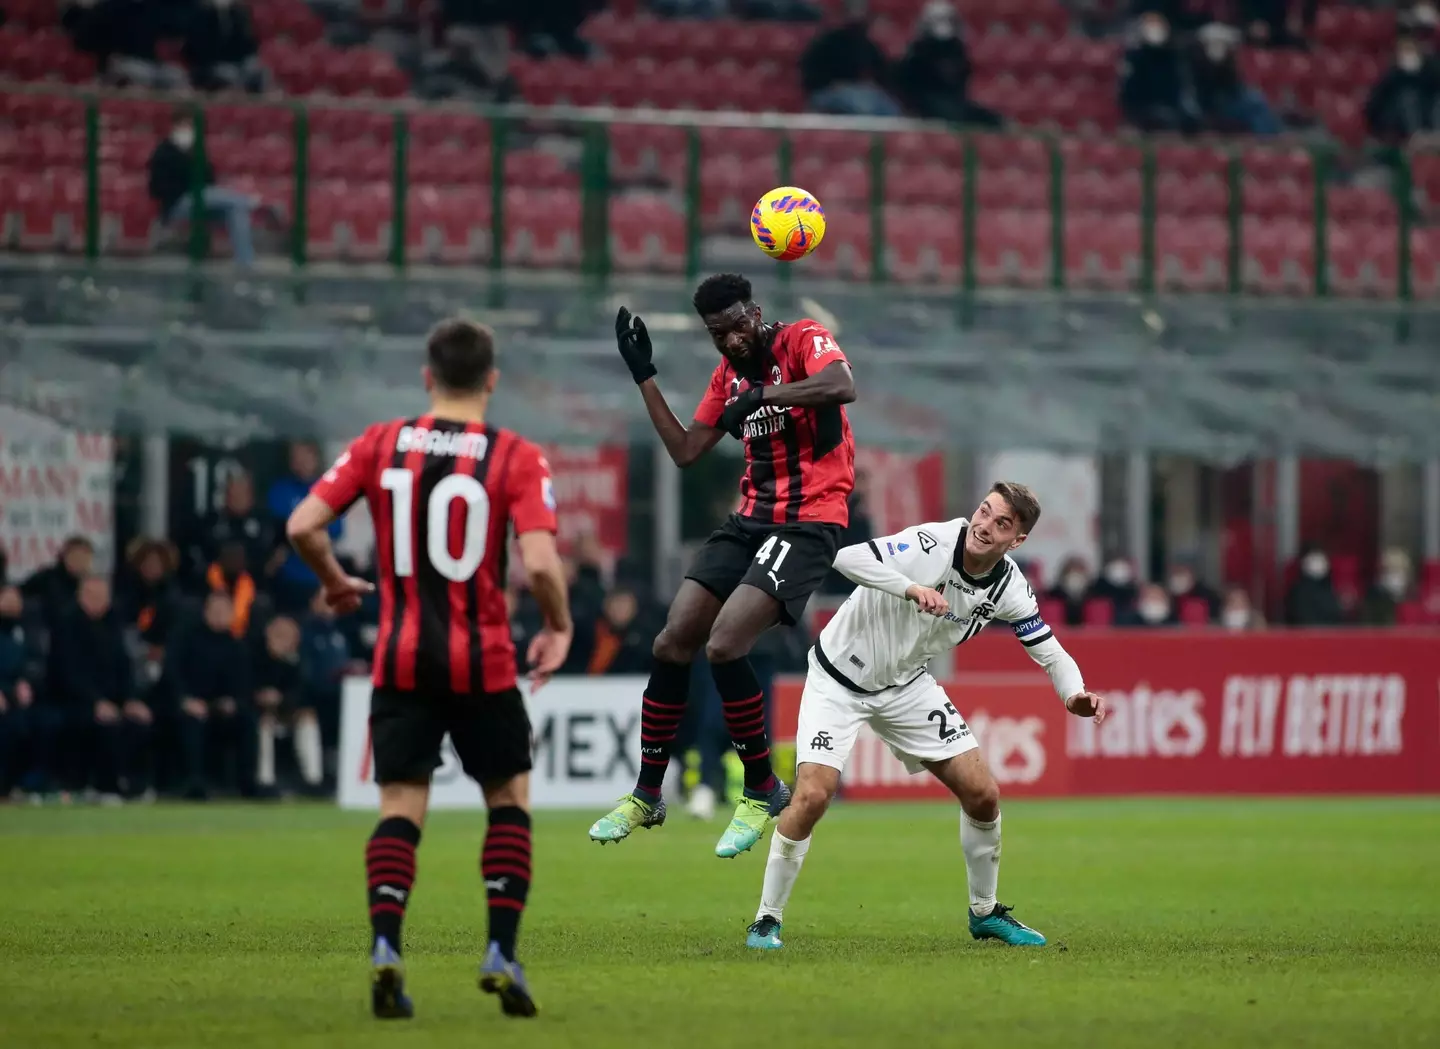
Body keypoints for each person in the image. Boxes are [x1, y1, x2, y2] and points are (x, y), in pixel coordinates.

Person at [285, 318, 572, 1021]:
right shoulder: (514, 455)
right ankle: (501, 951)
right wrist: (559, 625)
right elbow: (537, 561)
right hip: (484, 662)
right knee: (507, 799)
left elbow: (301, 525)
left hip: (402, 657)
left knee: (400, 809)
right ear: (492, 380)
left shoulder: (379, 442)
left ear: (427, 377)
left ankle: (387, 947)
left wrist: (333, 579)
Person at [743, 483, 1108, 951]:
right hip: (836, 679)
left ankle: (985, 912)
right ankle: (766, 921)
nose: (984, 526)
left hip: (905, 686)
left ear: (1016, 541)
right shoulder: (932, 544)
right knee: (813, 797)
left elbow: (1050, 652)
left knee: (982, 794)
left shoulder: (1009, 587)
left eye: (1001, 524)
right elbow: (846, 558)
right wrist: (911, 587)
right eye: (984, 511)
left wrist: (1073, 694)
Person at [591, 272, 857, 858]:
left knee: (724, 644)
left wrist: (764, 396)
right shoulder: (726, 375)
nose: (731, 340)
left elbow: (841, 385)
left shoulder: (801, 340)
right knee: (671, 640)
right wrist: (644, 375)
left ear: (755, 313)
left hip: (811, 518)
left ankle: (761, 788)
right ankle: (646, 793)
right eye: (718, 333)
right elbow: (687, 450)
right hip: (751, 517)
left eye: (737, 325)